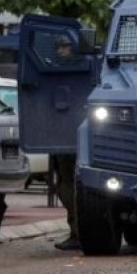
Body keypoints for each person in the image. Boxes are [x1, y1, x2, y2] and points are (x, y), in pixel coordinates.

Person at [52, 34, 80, 251]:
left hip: (71, 138)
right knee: (62, 184)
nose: (62, 51)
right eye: (60, 47)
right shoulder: (53, 70)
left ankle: (77, 231)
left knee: (68, 185)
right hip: (59, 135)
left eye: (66, 47)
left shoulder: (76, 70)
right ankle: (76, 230)